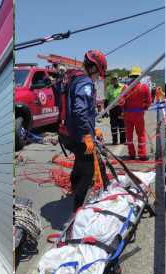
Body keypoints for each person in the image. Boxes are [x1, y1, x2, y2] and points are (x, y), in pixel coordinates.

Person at [60, 50, 107, 211]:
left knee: (80, 161)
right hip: (79, 136)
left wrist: (93, 132)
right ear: (93, 68)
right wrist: (88, 136)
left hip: (67, 134)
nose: (97, 78)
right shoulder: (85, 82)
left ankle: (74, 189)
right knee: (88, 171)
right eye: (98, 74)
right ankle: (78, 207)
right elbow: (80, 111)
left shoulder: (74, 79)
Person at [119, 66, 152, 160]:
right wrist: (144, 108)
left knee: (128, 135)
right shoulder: (144, 87)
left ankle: (131, 154)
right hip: (139, 115)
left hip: (127, 115)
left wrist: (124, 108)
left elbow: (121, 101)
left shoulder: (125, 87)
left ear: (131, 75)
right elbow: (149, 102)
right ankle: (142, 155)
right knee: (141, 134)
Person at [105, 73, 126, 145]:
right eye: (113, 79)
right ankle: (115, 141)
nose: (114, 80)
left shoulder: (123, 87)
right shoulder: (108, 88)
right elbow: (106, 100)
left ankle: (123, 140)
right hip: (112, 109)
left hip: (121, 108)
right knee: (113, 126)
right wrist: (105, 110)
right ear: (111, 80)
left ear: (118, 79)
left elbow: (126, 98)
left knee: (122, 125)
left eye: (115, 79)